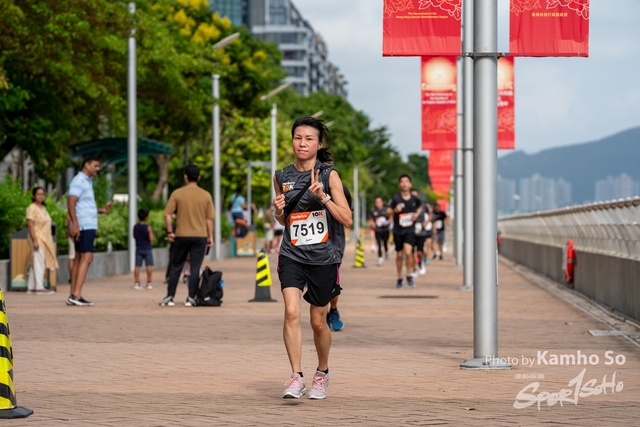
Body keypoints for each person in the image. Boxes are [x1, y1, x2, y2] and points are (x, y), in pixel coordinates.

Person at [273, 116, 352, 400]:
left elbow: (347, 219)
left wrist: (324, 198)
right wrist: (278, 211)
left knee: (318, 321)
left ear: (319, 144)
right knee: (291, 312)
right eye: (298, 138)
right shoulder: (281, 176)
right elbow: (285, 221)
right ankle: (296, 376)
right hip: (291, 254)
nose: (302, 143)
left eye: (308, 139)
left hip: (323, 257)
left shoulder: (329, 176)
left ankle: (322, 372)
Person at [160, 164, 214, 307]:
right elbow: (209, 219)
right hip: (200, 236)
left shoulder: (177, 193)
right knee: (195, 267)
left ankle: (170, 297)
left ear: (185, 177)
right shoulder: (206, 195)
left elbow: (167, 214)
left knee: (176, 266)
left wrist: (170, 232)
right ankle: (191, 298)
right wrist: (211, 236)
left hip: (181, 235)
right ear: (199, 177)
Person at [67, 156, 112, 306]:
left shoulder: (86, 181)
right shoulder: (79, 180)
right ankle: (76, 295)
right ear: (87, 165)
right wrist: (75, 225)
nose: (98, 169)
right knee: (87, 258)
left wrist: (101, 210)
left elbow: (83, 205)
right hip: (84, 225)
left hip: (86, 224)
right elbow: (71, 203)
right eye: (95, 166)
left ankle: (73, 294)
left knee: (79, 258)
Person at [326, 185, 353, 332]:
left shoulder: (341, 189)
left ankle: (333, 309)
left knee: (330, 279)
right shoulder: (298, 183)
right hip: (306, 242)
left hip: (333, 240)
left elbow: (348, 217)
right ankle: (321, 313)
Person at [389, 175, 422, 289]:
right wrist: (395, 210)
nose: (404, 184)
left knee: (408, 253)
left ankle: (409, 275)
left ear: (410, 184)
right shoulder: (395, 198)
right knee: (399, 255)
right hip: (398, 230)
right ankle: (399, 278)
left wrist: (416, 214)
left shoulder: (414, 198)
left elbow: (420, 207)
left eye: (406, 181)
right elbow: (387, 211)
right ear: (399, 185)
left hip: (410, 229)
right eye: (402, 182)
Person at [26, 187, 58, 294]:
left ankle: (31, 287)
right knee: (39, 262)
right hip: (37, 237)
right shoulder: (32, 208)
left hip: (46, 239)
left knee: (37, 261)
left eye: (42, 194)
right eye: (38, 194)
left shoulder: (43, 208)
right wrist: (35, 240)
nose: (41, 196)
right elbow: (30, 225)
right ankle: (39, 287)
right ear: (34, 196)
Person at [133, 208, 155, 290]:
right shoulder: (148, 227)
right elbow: (151, 239)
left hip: (138, 248)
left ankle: (137, 282)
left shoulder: (135, 227)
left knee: (137, 265)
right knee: (148, 265)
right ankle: (149, 282)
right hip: (147, 248)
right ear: (146, 217)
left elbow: (134, 236)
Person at [411, 190, 429, 276]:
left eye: (415, 195)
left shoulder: (423, 206)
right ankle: (414, 269)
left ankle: (420, 263)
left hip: (420, 232)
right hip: (410, 231)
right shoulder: (407, 205)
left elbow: (430, 214)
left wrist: (426, 222)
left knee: (419, 252)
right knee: (410, 252)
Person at [369, 196, 391, 266]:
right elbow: (371, 219)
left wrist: (387, 222)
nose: (378, 203)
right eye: (376, 202)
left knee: (385, 243)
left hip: (385, 229)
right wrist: (373, 224)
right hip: (378, 230)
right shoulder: (373, 211)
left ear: (382, 202)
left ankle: (386, 252)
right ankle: (380, 258)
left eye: (379, 202)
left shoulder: (386, 210)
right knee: (378, 244)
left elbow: (391, 218)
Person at [66, 214, 75, 284]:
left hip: (71, 236)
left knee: (72, 257)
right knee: (72, 257)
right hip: (73, 237)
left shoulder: (69, 215)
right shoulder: (72, 215)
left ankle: (73, 277)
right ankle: (72, 277)